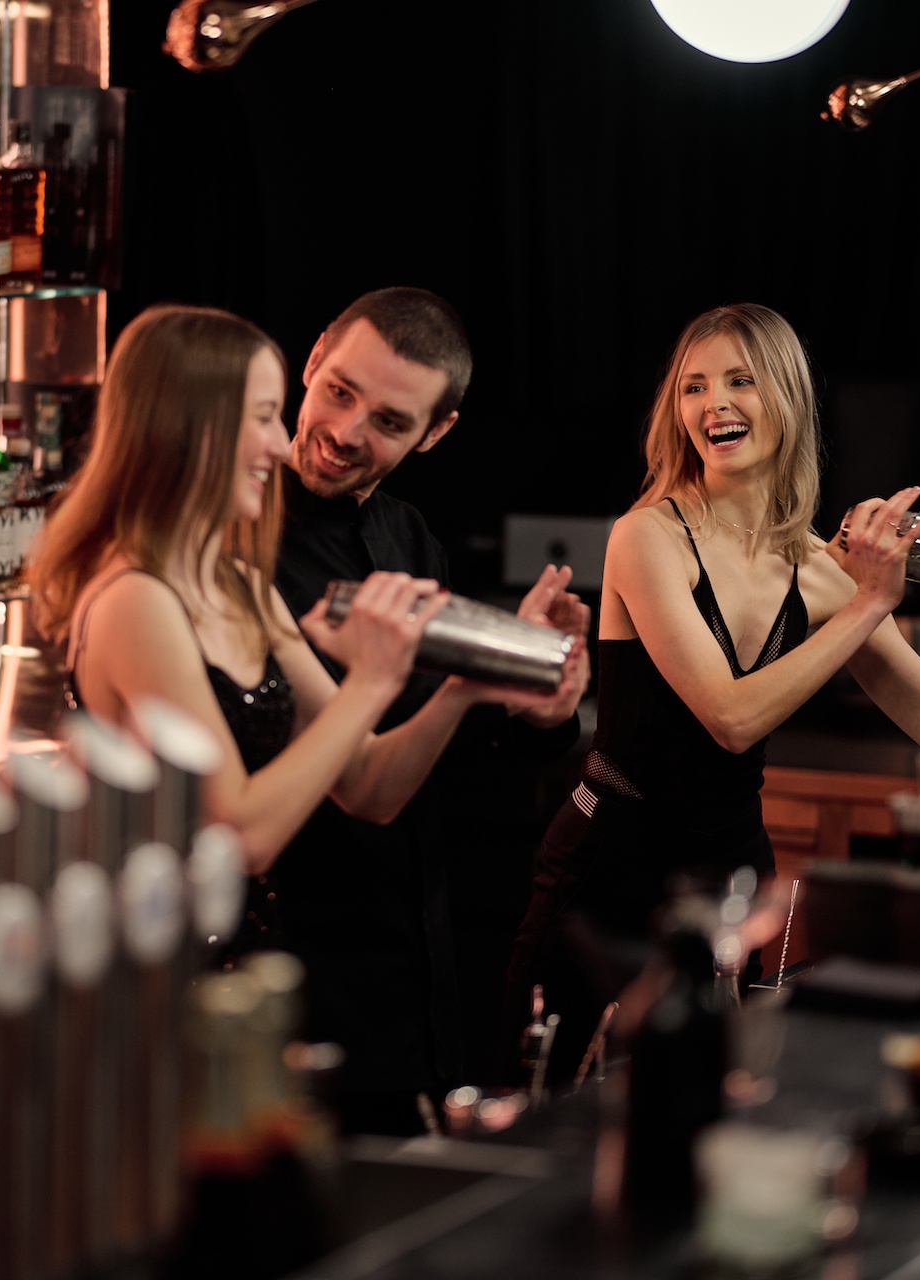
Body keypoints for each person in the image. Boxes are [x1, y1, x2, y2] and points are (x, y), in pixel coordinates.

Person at [507, 302, 920, 1074]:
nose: (715, 404)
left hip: (735, 878)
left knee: (712, 1122)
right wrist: (870, 601)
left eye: (741, 380)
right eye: (694, 387)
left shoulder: (822, 571)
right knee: (567, 1125)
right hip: (612, 869)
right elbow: (729, 720)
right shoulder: (648, 536)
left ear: (787, 401)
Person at [27, 303, 567, 957]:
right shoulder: (135, 598)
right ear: (186, 425)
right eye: (261, 418)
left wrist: (467, 683)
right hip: (181, 972)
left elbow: (367, 783)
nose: (282, 444)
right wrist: (372, 680)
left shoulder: (238, 581)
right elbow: (241, 837)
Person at [272, 288, 592, 1134]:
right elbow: (360, 785)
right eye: (337, 391)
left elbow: (458, 763)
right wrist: (470, 685)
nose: (344, 432)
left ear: (436, 431)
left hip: (418, 964)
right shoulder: (235, 538)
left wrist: (535, 704)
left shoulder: (411, 538)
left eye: (387, 420)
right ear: (311, 360)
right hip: (295, 969)